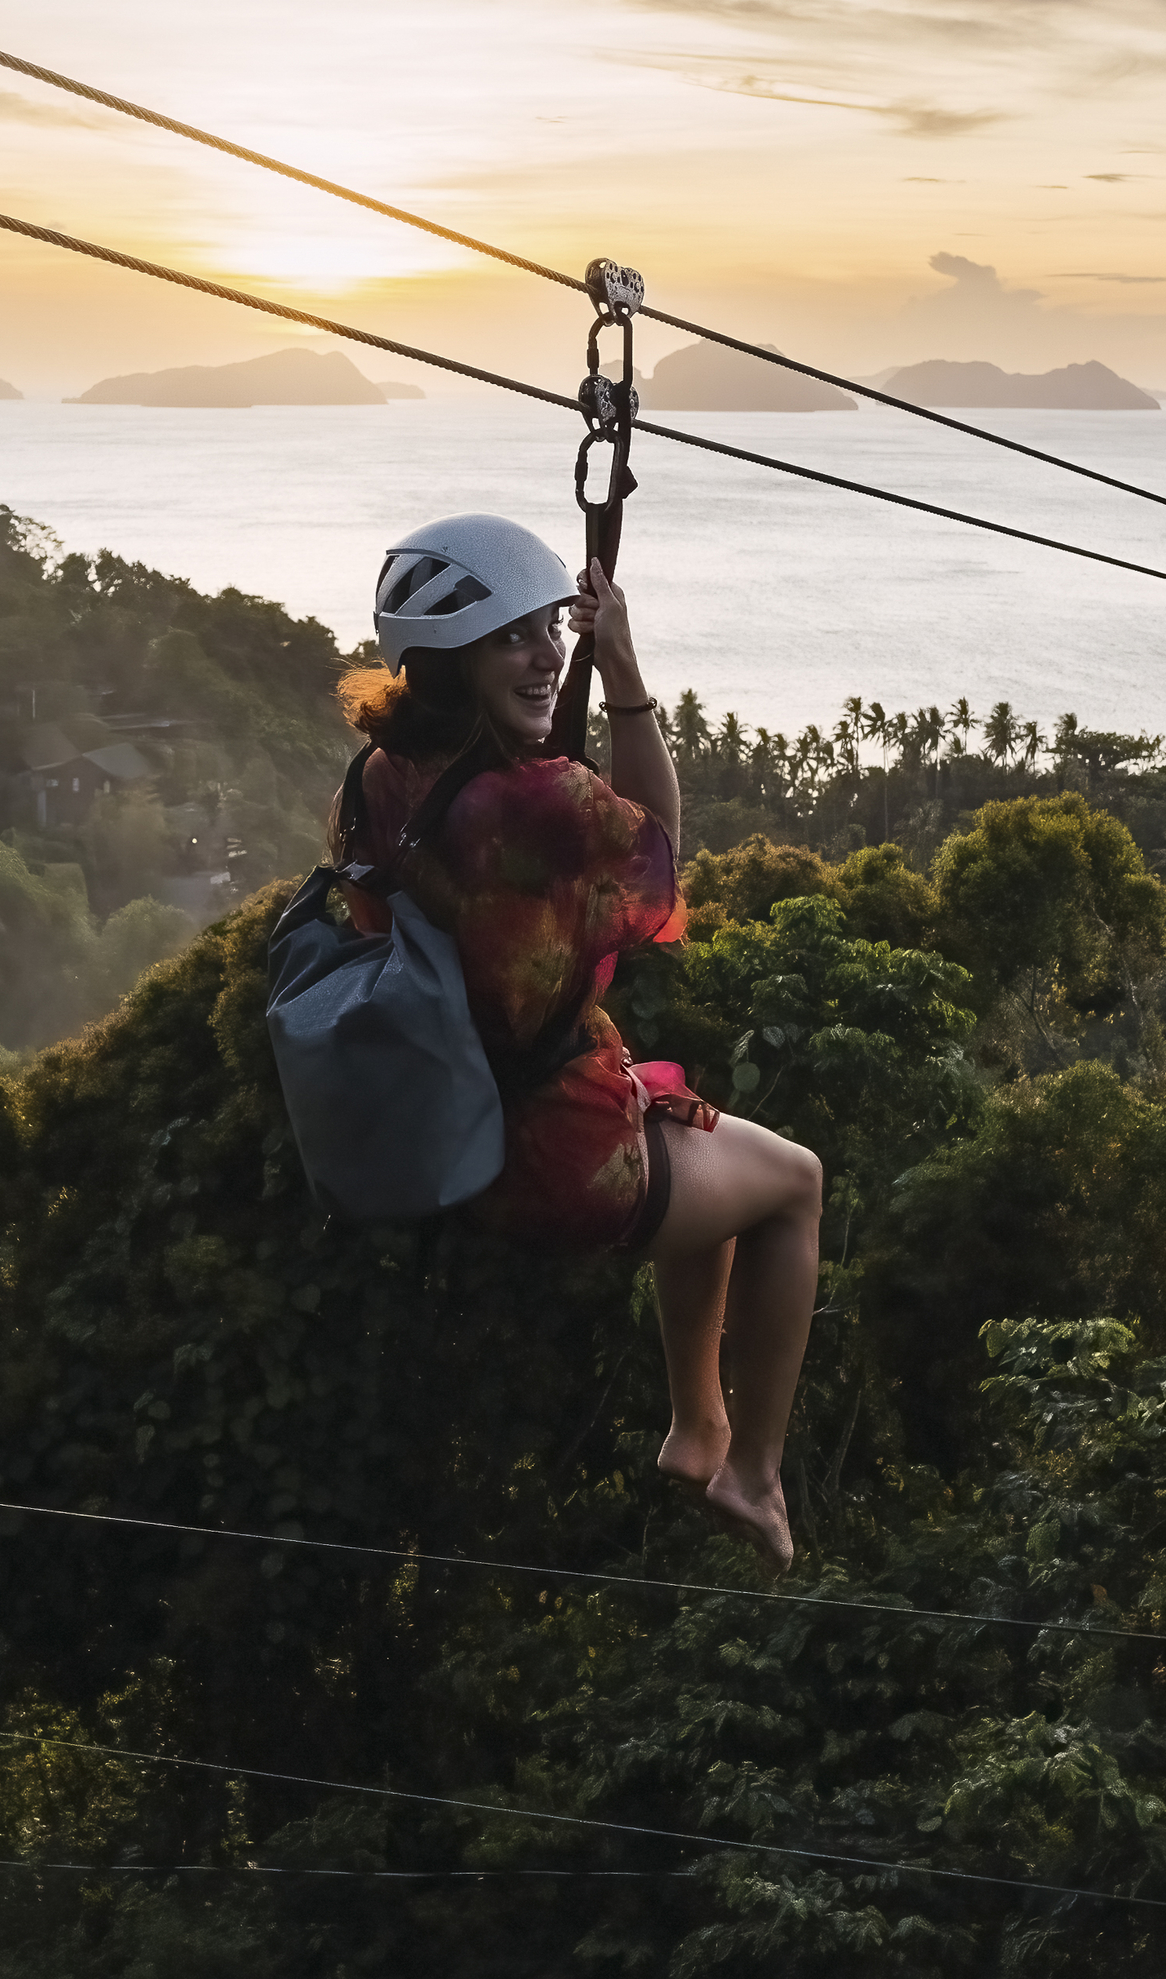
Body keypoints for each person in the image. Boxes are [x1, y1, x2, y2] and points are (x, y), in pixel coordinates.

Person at [331, 512, 827, 1565]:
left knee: (700, 1153)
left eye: (549, 630)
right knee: (794, 1182)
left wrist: (554, 696)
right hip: (557, 1154)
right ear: (448, 661)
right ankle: (754, 1472)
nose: (546, 654)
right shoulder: (536, 803)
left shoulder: (383, 774)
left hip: (458, 1119)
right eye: (514, 638)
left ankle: (698, 1431)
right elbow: (658, 848)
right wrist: (628, 672)